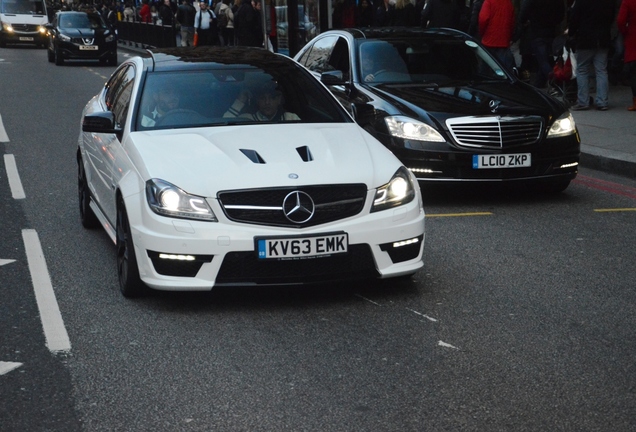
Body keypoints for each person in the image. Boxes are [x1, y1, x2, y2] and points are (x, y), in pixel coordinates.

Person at [568, 0, 617, 110]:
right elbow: (611, 18)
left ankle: (583, 101)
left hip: (586, 38)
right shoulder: (608, 2)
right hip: (603, 37)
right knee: (601, 70)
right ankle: (602, 101)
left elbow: (574, 18)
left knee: (582, 69)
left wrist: (571, 33)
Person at [517, 0, 566, 89]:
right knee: (544, 60)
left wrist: (525, 21)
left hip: (537, 32)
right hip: (551, 31)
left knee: (543, 61)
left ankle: (556, 80)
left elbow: (523, 14)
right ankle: (538, 86)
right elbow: (561, 15)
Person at [224, 81, 300, 121]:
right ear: (257, 100)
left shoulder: (290, 118)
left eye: (272, 98)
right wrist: (239, 101)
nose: (267, 102)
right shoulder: (247, 119)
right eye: (263, 98)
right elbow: (224, 125)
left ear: (279, 100)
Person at [478, 0, 516, 72]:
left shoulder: (489, 2)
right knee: (503, 69)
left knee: (485, 69)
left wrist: (482, 33)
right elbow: (512, 22)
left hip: (489, 39)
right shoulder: (508, 3)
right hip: (503, 41)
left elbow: (483, 19)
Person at [617, 0, 636, 110]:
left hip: (633, 37)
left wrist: (625, 31)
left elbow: (621, 21)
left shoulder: (628, 1)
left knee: (634, 73)